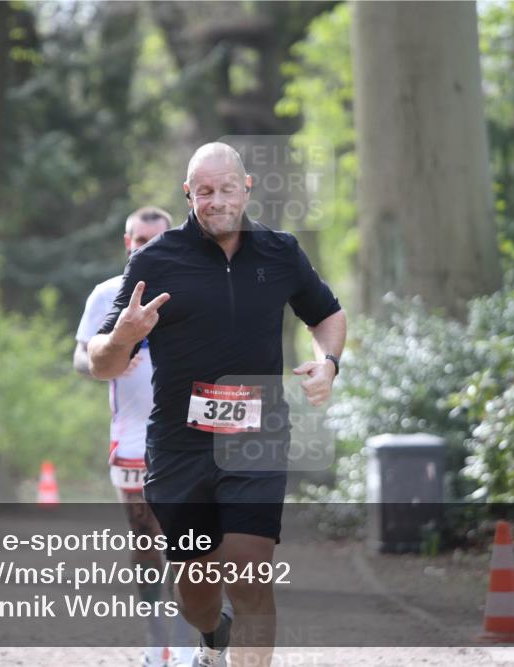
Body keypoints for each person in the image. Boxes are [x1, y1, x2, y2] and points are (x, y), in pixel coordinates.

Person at [88, 143, 347, 667]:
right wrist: (122, 337)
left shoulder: (280, 252)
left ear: (246, 188)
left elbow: (327, 314)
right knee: (198, 595)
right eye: (205, 191)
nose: (217, 201)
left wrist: (329, 363)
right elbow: (101, 362)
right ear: (188, 194)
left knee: (250, 572)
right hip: (180, 446)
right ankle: (212, 636)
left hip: (257, 437)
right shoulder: (155, 260)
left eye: (228, 188)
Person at [74, 206, 194, 667]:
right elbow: (80, 357)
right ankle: (155, 635)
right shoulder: (106, 294)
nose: (147, 247)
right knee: (146, 540)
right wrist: (107, 362)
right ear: (128, 243)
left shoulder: (191, 290)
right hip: (131, 438)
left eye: (157, 239)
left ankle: (185, 639)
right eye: (140, 240)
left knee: (186, 541)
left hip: (186, 436)